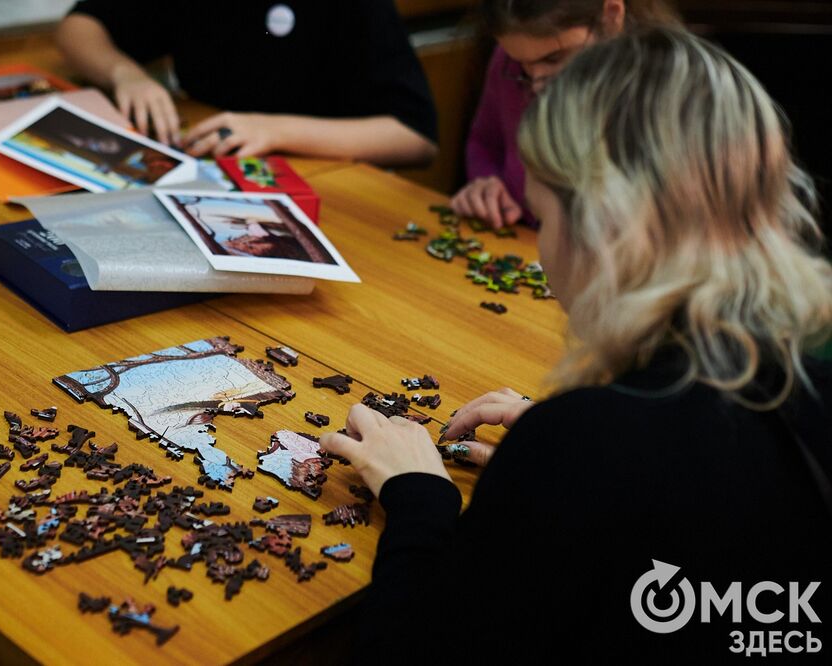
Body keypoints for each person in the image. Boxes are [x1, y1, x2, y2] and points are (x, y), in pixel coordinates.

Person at [320, 27, 832, 662]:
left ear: (602, 227)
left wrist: (420, 497)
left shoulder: (578, 447)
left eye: (544, 212)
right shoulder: (810, 387)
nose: (540, 252)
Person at [55, 1, 438, 167]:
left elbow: (416, 138)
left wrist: (272, 129)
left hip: (325, 174)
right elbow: (79, 26)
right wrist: (126, 73)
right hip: (212, 159)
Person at [452, 0, 676, 228]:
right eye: (522, 65)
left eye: (553, 58)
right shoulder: (506, 62)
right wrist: (487, 184)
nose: (537, 84)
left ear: (610, 16)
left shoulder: (661, 93)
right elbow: (485, 144)